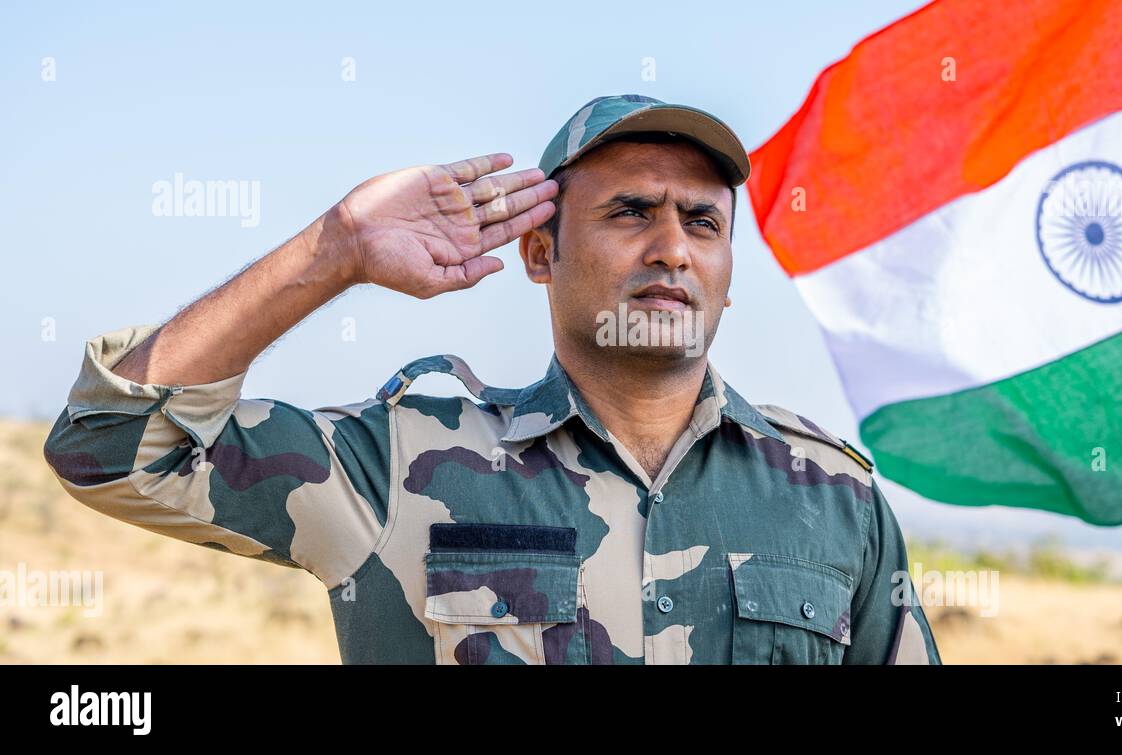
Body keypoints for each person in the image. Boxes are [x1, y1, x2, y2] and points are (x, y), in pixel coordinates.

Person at [44, 94, 941, 665]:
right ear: (540, 253)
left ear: (728, 270)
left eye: (702, 223)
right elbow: (113, 446)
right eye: (631, 211)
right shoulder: (400, 464)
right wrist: (336, 251)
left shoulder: (834, 497)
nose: (671, 246)